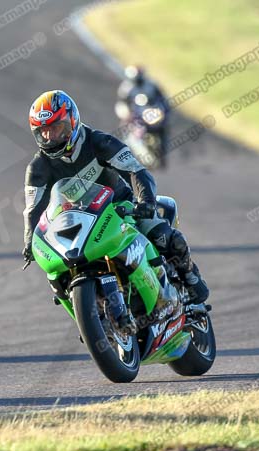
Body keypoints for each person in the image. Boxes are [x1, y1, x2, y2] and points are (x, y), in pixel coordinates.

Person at [22, 90, 209, 304]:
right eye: (43, 132)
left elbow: (136, 171)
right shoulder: (38, 167)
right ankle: (95, 315)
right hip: (77, 221)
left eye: (56, 128)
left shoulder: (99, 142)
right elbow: (33, 210)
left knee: (161, 234)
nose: (50, 137)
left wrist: (145, 203)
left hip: (119, 207)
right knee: (57, 273)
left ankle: (190, 276)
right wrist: (30, 242)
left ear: (72, 122)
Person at [115, 65, 170, 167]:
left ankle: (163, 153)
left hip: (151, 114)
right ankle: (129, 158)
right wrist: (126, 115)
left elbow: (163, 100)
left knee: (164, 128)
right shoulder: (126, 88)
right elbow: (121, 104)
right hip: (136, 117)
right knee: (128, 134)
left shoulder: (151, 85)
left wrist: (162, 111)